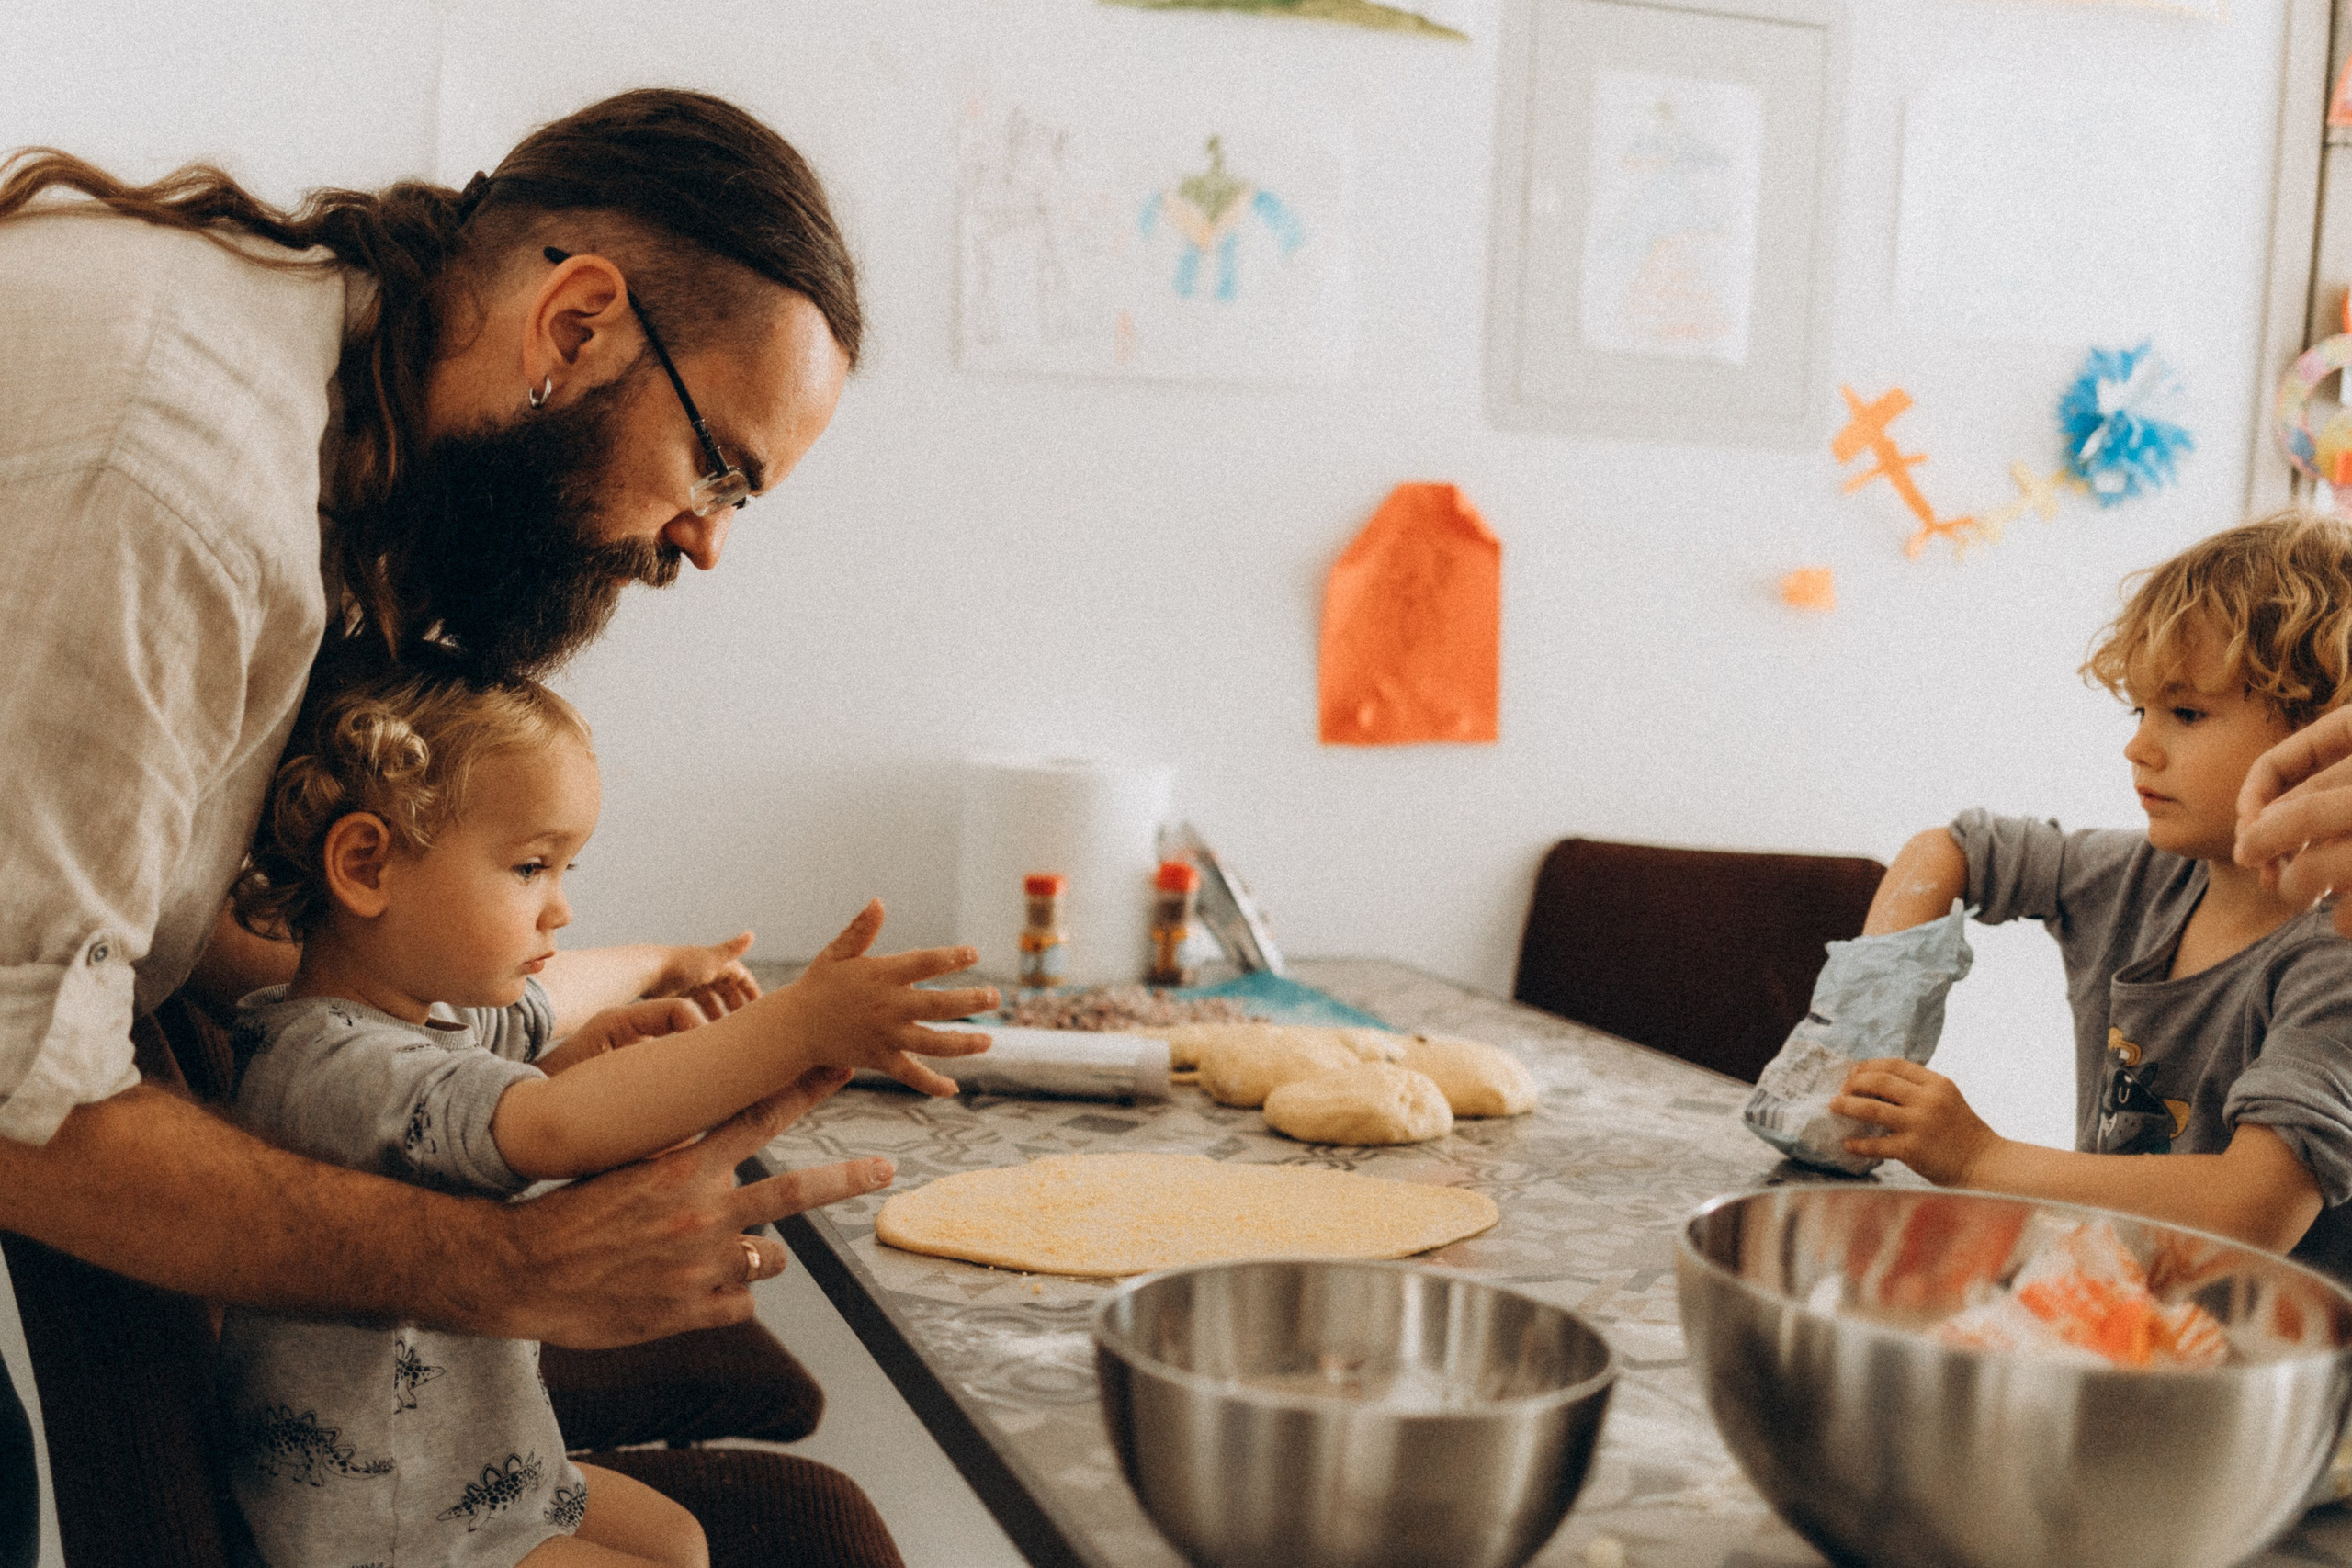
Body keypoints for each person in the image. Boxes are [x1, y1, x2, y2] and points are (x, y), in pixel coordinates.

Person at [0, 88, 897, 1562]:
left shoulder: (302, 438)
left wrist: (553, 1013)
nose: (707, 540)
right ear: (577, 325)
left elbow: (150, 922)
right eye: (718, 465)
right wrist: (514, 1264)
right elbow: (23, 1093)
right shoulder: (175, 485)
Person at [218, 660, 989, 1568]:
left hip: (474, 1466)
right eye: (530, 866)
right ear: (366, 864)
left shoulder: (421, 1018)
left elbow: (532, 1038)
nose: (561, 907)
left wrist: (626, 1006)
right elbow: (550, 1127)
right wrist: (796, 1024)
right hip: (392, 1526)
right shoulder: (332, 1061)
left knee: (678, 1539)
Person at [1830, 513, 2352, 1280]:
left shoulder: (2333, 959)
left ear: (2325, 736)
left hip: (2279, 1370)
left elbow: (2254, 1207)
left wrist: (1979, 1156)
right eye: (2138, 709)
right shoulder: (2141, 878)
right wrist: (1862, 1034)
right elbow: (1948, 852)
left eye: (2186, 711)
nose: (2139, 744)